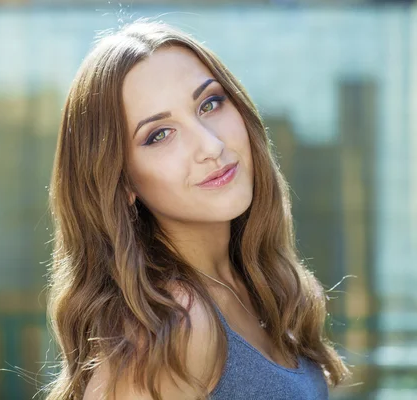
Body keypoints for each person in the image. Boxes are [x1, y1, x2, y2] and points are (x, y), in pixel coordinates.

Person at [45, 20, 350, 400]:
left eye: (210, 103)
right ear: (122, 182)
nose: (210, 145)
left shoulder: (259, 285)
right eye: (159, 134)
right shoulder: (176, 327)